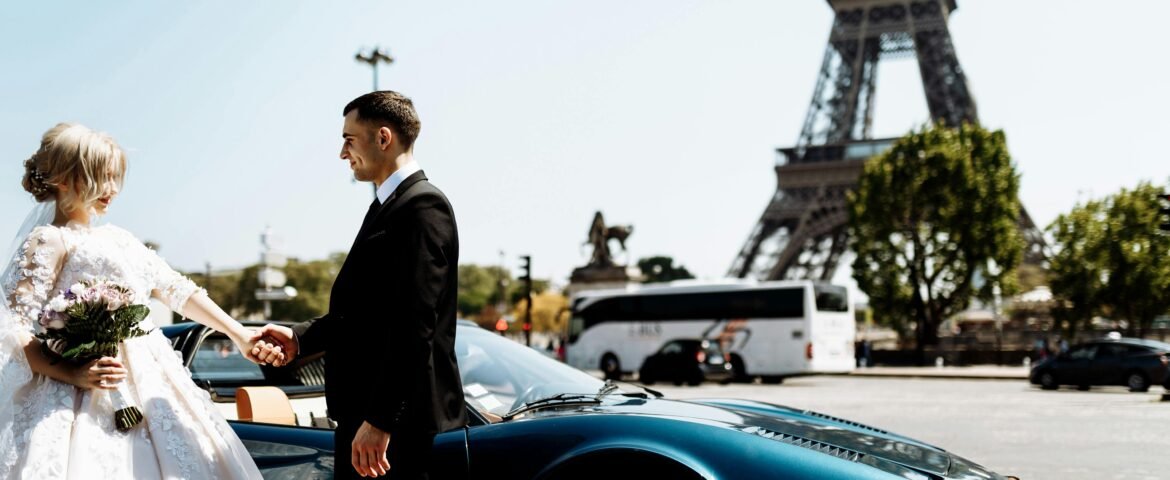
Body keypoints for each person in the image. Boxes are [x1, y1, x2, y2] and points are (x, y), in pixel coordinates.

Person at [0, 123, 283, 479]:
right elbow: (12, 327)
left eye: (116, 177)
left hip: (156, 382)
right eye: (101, 177)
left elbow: (177, 289)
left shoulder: (120, 238)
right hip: (76, 393)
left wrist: (240, 334)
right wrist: (71, 372)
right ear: (62, 178)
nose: (113, 189)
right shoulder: (49, 240)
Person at [254, 91, 468, 479]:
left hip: (396, 434)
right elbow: (363, 315)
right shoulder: (388, 207)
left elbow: (414, 325)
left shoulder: (423, 208)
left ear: (383, 138)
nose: (342, 153)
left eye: (349, 139)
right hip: (372, 425)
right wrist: (299, 338)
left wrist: (381, 421)